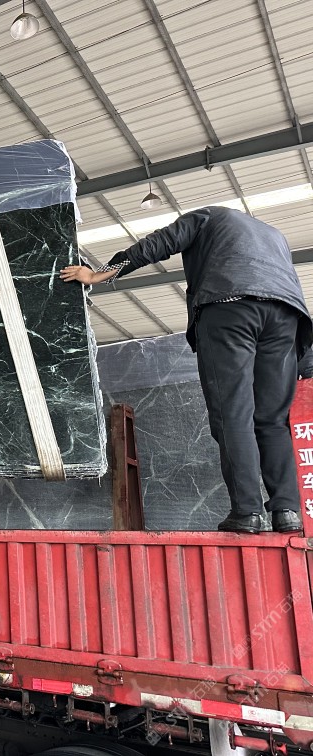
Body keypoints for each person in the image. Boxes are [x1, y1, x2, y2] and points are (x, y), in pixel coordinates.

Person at [61, 205, 312, 534]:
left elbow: (159, 243)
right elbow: (290, 291)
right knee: (272, 420)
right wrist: (306, 363)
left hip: (229, 306)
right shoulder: (275, 236)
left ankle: (248, 512)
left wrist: (99, 274)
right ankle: (287, 511)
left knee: (233, 414)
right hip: (287, 317)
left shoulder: (209, 216)